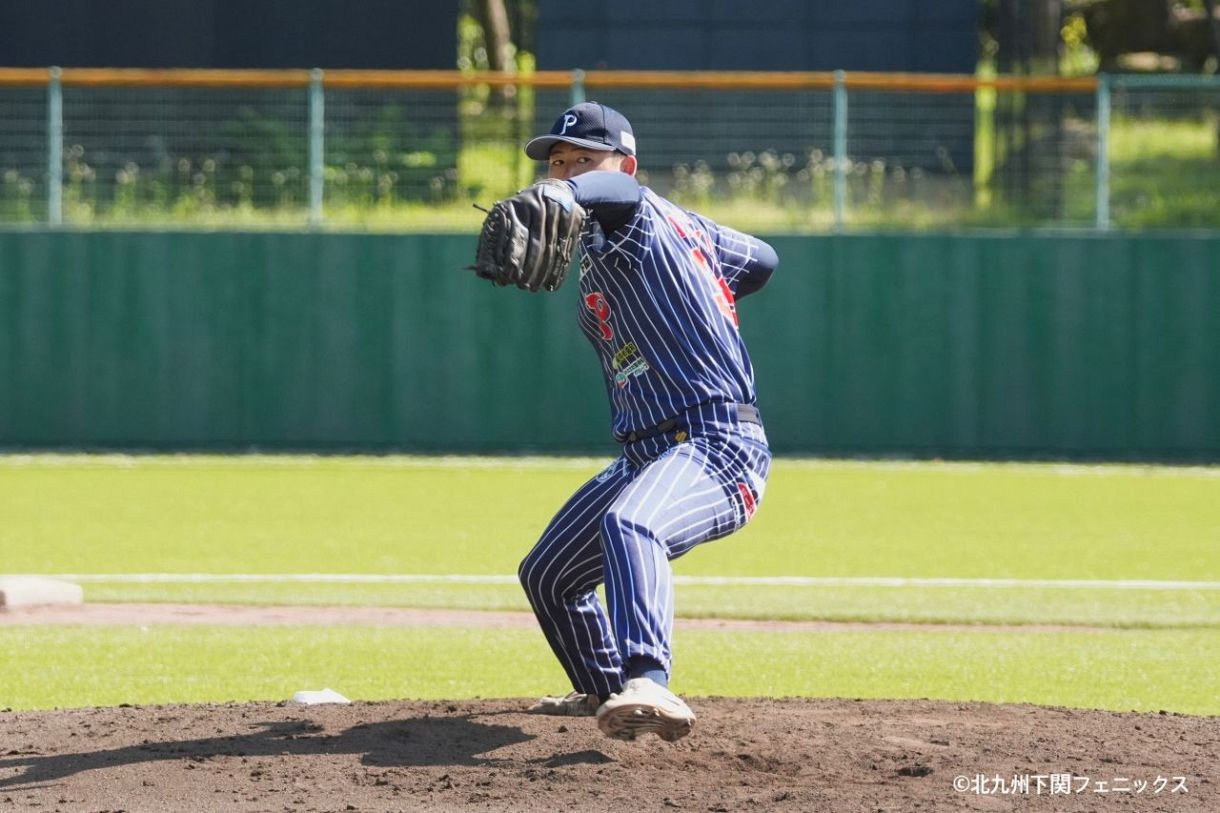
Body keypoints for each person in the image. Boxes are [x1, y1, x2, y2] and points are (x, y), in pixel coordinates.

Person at [516, 101, 778, 742]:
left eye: (583, 160)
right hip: (646, 452)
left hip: (716, 443)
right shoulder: (677, 232)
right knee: (548, 575)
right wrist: (701, 278)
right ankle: (606, 693)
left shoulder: (636, 220)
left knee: (631, 523)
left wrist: (573, 191)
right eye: (557, 162)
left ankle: (649, 679)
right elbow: (763, 260)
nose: (564, 172)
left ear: (624, 166)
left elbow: (622, 196)